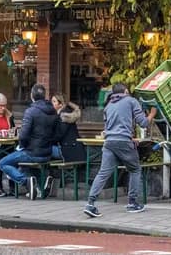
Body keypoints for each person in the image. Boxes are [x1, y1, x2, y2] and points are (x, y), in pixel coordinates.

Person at [83, 83, 157, 218]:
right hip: (123, 143)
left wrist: (129, 137)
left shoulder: (108, 106)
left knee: (103, 173)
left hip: (109, 143)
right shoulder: (131, 101)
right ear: (126, 91)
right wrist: (152, 114)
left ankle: (90, 204)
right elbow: (143, 123)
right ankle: (132, 203)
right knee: (135, 169)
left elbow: (110, 128)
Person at [0, 84, 59, 200]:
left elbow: (23, 135)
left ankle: (26, 182)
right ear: (44, 96)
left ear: (32, 96)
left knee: (2, 163)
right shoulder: (53, 112)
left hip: (32, 152)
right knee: (28, 166)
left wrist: (21, 146)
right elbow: (55, 134)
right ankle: (41, 187)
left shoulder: (30, 112)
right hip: (47, 153)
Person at [51, 95, 84, 163]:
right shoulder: (67, 114)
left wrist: (47, 140)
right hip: (75, 150)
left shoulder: (64, 117)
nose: (52, 103)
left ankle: (46, 173)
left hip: (68, 151)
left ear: (61, 104)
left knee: (43, 150)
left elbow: (58, 135)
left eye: (54, 101)